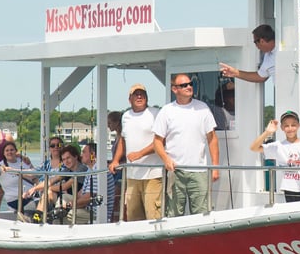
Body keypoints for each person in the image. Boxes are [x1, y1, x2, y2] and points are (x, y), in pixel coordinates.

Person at [153, 74, 220, 216]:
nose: (189, 87)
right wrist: (166, 160)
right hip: (175, 171)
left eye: (190, 84)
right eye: (184, 85)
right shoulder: (166, 111)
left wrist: (215, 167)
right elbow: (157, 142)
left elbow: (212, 139)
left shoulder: (203, 108)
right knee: (173, 215)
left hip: (199, 171)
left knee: (202, 214)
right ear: (174, 89)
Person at [109, 84, 162, 221]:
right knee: (132, 215)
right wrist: (115, 160)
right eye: (136, 94)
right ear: (130, 99)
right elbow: (123, 139)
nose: (139, 97)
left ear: (147, 98)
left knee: (153, 214)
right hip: (132, 176)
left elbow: (161, 140)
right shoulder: (126, 116)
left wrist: (140, 154)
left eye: (142, 94)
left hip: (153, 174)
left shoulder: (156, 113)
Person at [250, 110, 300, 202]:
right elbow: (254, 148)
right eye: (286, 126)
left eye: (293, 125)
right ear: (282, 128)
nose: (290, 128)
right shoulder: (278, 146)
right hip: (289, 191)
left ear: (299, 125)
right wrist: (267, 132)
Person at [25, 144, 88, 223]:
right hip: (68, 198)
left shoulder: (81, 169)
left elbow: (65, 186)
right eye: (64, 159)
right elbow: (52, 180)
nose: (66, 161)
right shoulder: (67, 170)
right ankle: (37, 218)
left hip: (79, 200)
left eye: (68, 158)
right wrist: (35, 188)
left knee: (49, 191)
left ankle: (40, 218)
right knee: (49, 193)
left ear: (75, 157)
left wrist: (47, 188)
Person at [70, 143, 116, 224]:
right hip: (88, 208)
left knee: (69, 214)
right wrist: (71, 202)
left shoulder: (98, 170)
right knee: (63, 198)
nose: (81, 155)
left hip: (96, 214)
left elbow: (88, 197)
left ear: (92, 154)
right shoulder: (90, 169)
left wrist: (70, 205)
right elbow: (82, 192)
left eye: (84, 152)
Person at [0, 141, 37, 212]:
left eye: (12, 150)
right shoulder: (0, 165)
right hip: (15, 200)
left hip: (32, 195)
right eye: (7, 150)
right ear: (3, 153)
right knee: (35, 205)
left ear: (16, 151)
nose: (9, 152)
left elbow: (35, 175)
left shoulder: (24, 161)